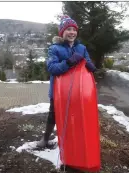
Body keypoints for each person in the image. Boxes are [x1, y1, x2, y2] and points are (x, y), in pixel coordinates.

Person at [37, 15, 96, 148]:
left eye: (74, 30)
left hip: (77, 89)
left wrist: (90, 66)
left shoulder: (81, 48)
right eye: (68, 29)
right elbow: (51, 68)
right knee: (54, 114)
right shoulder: (54, 48)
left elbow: (87, 61)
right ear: (62, 32)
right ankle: (45, 139)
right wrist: (68, 62)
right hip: (59, 90)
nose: (72, 32)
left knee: (75, 116)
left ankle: (74, 141)